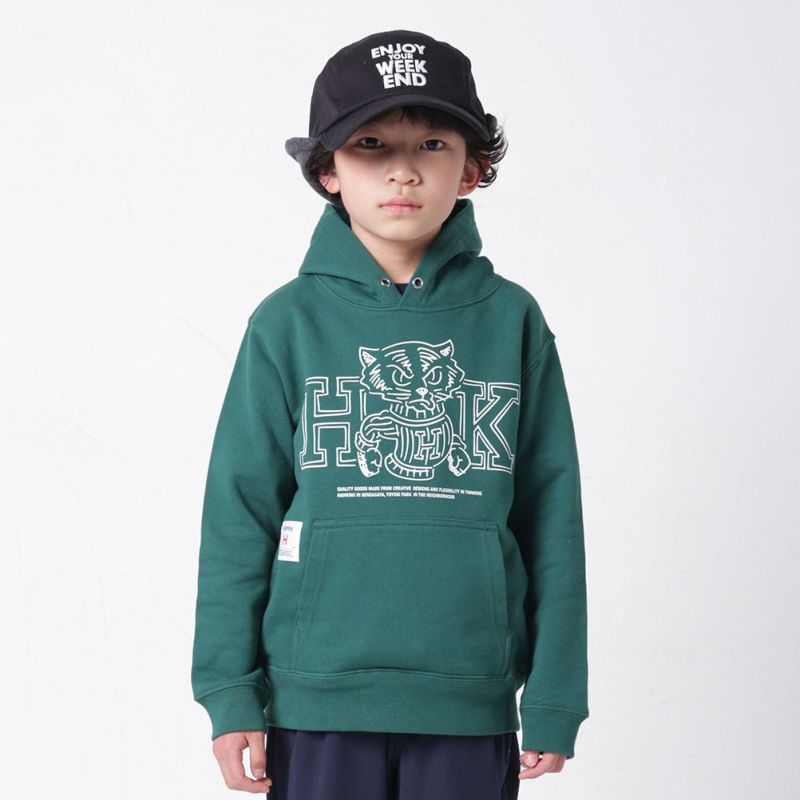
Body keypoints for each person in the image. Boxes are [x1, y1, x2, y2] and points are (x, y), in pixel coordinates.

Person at [191, 28, 589, 800]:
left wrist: (555, 695)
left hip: (470, 698)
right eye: (370, 144)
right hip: (315, 699)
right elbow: (239, 514)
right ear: (327, 170)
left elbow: (552, 514)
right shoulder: (286, 323)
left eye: (432, 143)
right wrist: (229, 690)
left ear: (471, 168)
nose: (403, 169)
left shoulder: (511, 320)